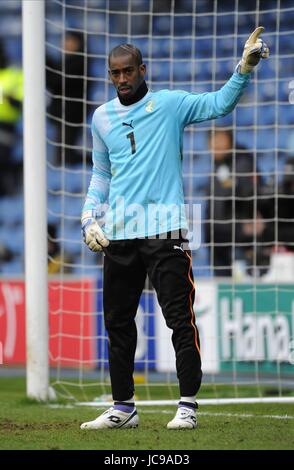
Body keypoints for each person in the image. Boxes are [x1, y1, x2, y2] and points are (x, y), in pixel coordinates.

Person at [80, 29, 269, 430]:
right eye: (115, 73)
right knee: (117, 321)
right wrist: (88, 216)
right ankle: (123, 407)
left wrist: (243, 70)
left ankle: (187, 405)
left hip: (166, 231)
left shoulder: (169, 104)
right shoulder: (101, 118)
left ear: (142, 69)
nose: (122, 79)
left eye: (128, 71)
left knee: (179, 319)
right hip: (120, 233)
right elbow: (101, 173)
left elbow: (219, 104)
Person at [204, 127, 271, 277]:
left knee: (241, 280)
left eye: (220, 141)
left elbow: (252, 194)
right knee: (222, 279)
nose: (216, 147)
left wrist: (245, 226)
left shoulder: (243, 162)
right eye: (213, 142)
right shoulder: (218, 164)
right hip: (219, 235)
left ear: (230, 141)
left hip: (238, 236)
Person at [46, 31, 87, 166]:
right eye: (65, 40)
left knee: (65, 156)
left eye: (70, 40)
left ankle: (100, 162)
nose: (65, 43)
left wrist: (45, 64)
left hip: (70, 114)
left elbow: (57, 82)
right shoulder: (67, 61)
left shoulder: (79, 62)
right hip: (63, 114)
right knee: (63, 154)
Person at [0, 40, 23, 196]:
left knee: (3, 158)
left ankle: (8, 189)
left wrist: (11, 100)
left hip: (6, 125)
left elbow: (24, 103)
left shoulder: (15, 75)